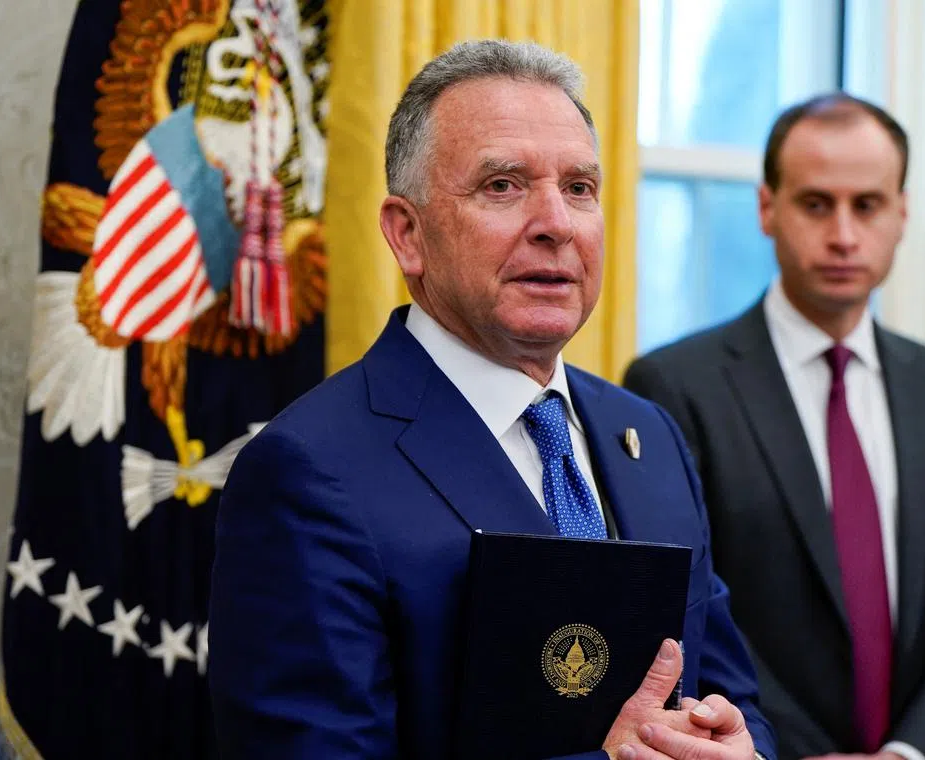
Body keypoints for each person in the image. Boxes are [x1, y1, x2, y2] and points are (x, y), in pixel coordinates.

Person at [208, 39, 776, 760]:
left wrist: (739, 747)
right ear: (407, 234)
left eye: (579, 188)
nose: (556, 223)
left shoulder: (649, 435)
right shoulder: (308, 471)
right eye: (503, 185)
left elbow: (732, 692)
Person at [623, 93, 925, 760]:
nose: (843, 234)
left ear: (902, 212)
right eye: (816, 204)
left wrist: (907, 754)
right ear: (766, 208)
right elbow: (680, 614)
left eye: (867, 205)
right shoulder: (671, 388)